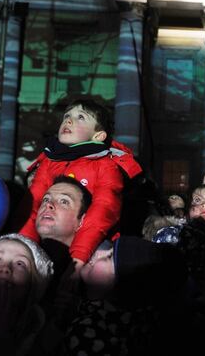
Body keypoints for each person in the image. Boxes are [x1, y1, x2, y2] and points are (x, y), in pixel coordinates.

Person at [18, 99, 143, 268]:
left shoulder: (105, 165)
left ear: (98, 136)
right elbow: (32, 206)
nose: (68, 120)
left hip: (93, 247)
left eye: (81, 117)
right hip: (50, 242)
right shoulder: (50, 161)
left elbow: (104, 208)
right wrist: (25, 249)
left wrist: (79, 257)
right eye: (66, 116)